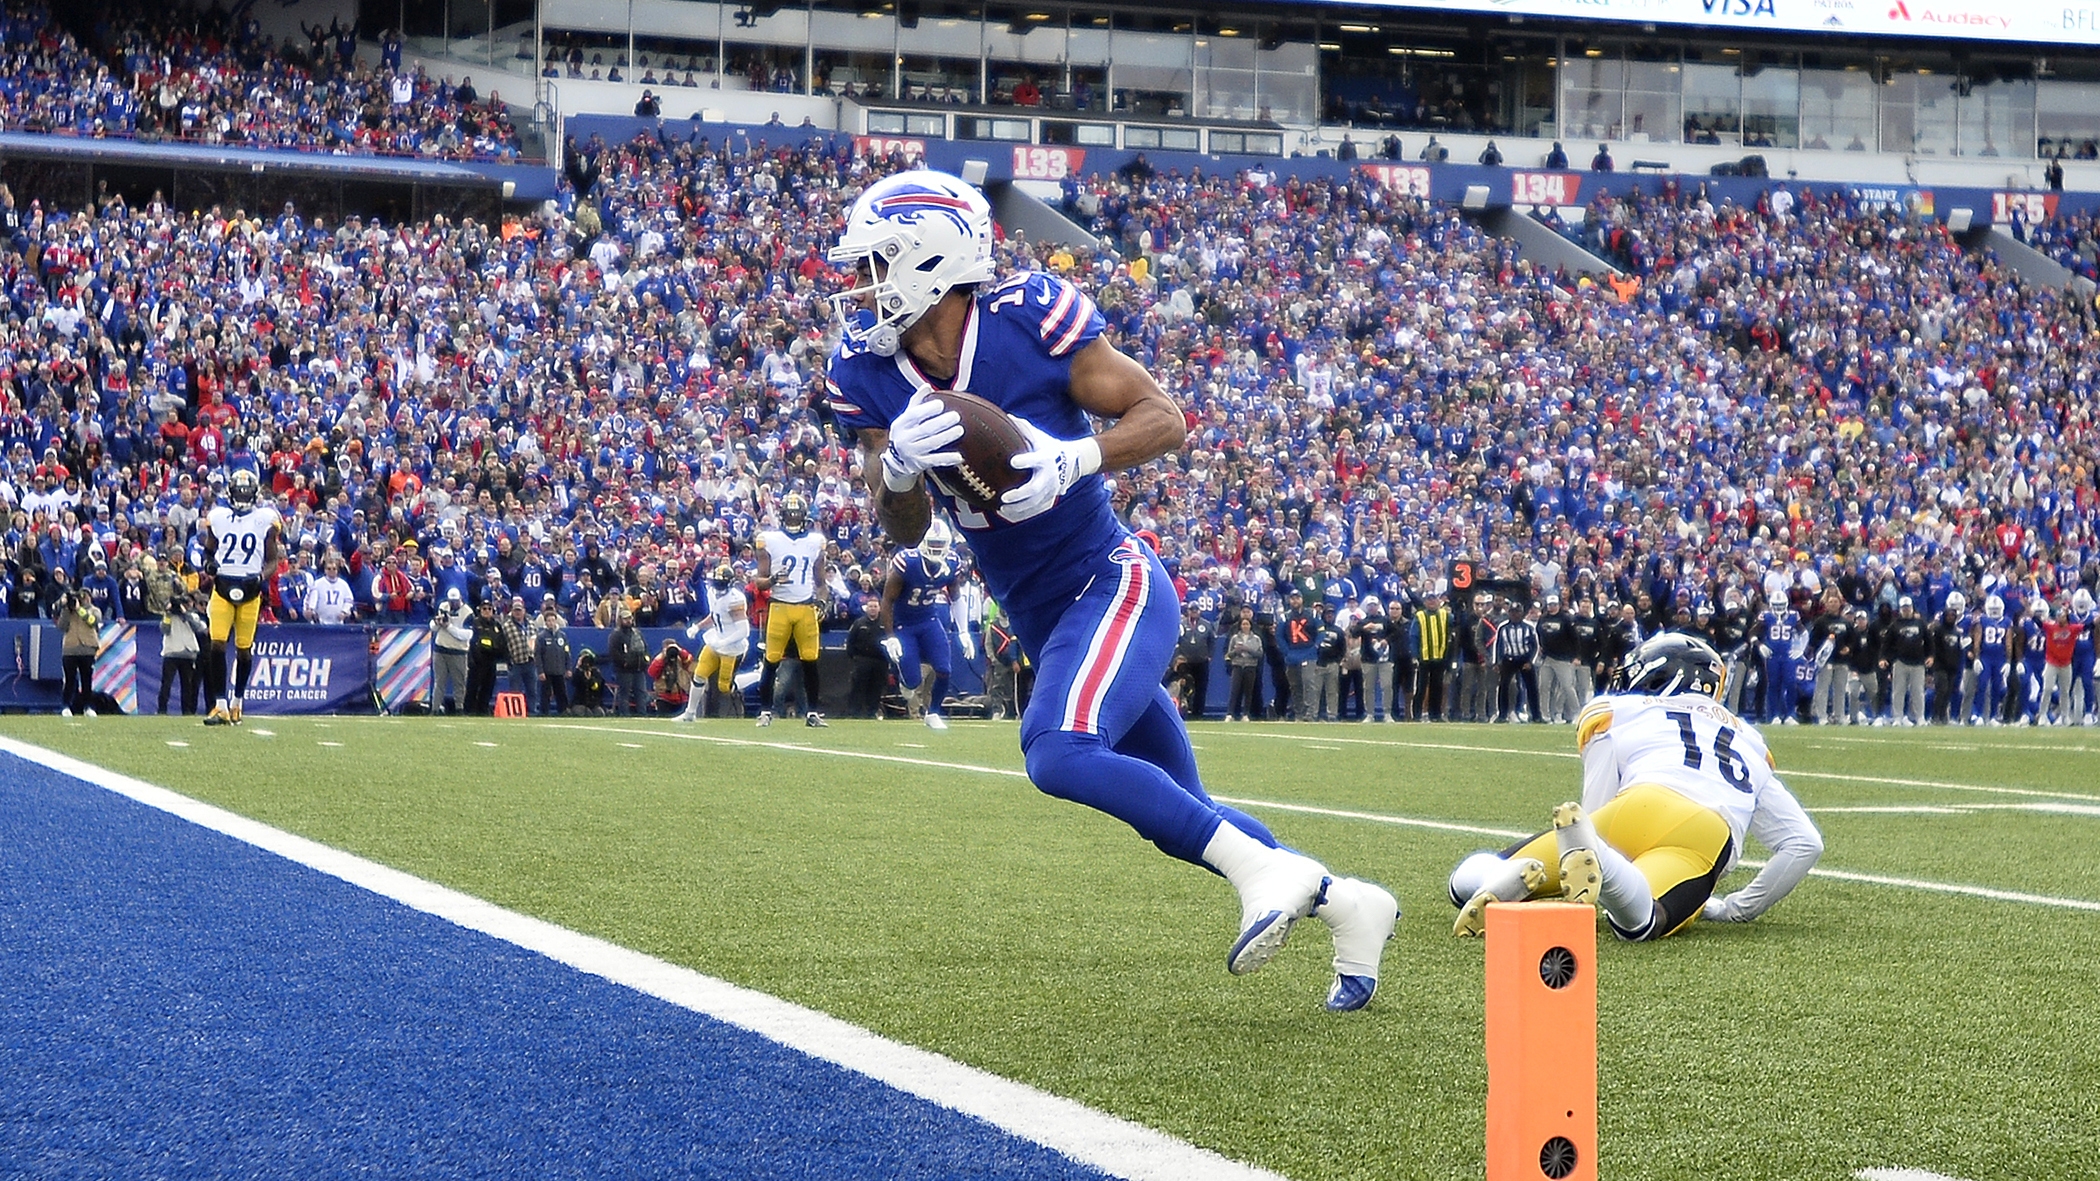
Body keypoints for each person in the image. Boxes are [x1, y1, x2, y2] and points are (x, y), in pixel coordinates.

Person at [825, 169, 1396, 1011]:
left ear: (933, 259)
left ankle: (1269, 873)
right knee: (1184, 815)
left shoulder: (1026, 319)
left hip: (1112, 580)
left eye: (878, 263)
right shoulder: (866, 371)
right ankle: (1350, 902)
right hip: (1044, 615)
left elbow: (1164, 415)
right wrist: (900, 467)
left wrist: (1073, 457)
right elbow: (902, 526)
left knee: (1057, 750)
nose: (861, 286)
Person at [1447, 633, 1823, 941]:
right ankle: (1608, 870)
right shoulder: (1750, 740)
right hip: (1705, 831)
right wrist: (1738, 908)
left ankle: (1494, 879)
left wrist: (1590, 839)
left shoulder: (1623, 709)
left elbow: (1596, 802)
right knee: (1643, 920)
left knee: (1476, 876)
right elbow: (1804, 844)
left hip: (1635, 807)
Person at [199, 468, 282, 726]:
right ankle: (220, 705)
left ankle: (237, 702)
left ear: (255, 494)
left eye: (246, 492)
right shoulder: (219, 518)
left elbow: (272, 559)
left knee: (244, 650)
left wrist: (261, 577)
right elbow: (208, 553)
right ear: (230, 492)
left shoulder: (265, 519)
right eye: (238, 491)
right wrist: (209, 565)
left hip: (250, 588)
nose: (242, 496)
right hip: (223, 587)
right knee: (217, 644)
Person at [754, 491, 828, 726]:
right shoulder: (769, 539)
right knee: (771, 660)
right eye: (790, 515)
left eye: (797, 515)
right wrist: (774, 579)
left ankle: (812, 713)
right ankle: (765, 712)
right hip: (780, 606)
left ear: (804, 516)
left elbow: (821, 582)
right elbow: (760, 581)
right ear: (783, 515)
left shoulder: (815, 541)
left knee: (810, 661)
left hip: (805, 606)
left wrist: (822, 601)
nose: (794, 519)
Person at [882, 516, 960, 730]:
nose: (936, 549)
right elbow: (887, 600)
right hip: (904, 624)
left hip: (929, 620)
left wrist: (962, 632)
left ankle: (933, 713)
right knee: (912, 681)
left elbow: (956, 597)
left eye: (940, 545)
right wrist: (890, 638)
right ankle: (904, 679)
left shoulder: (952, 562)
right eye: (932, 544)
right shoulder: (907, 562)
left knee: (944, 669)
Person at [682, 562, 753, 720]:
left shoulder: (735, 598)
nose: (718, 587)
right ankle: (690, 713)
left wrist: (725, 642)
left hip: (732, 647)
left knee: (724, 687)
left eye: (721, 584)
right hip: (716, 640)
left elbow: (744, 630)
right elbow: (715, 616)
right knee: (699, 675)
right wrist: (698, 627)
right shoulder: (712, 593)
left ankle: (757, 675)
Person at [158, 589, 206, 716]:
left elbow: (198, 628)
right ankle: (162, 710)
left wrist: (185, 613)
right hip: (171, 652)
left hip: (188, 654)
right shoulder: (169, 616)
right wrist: (168, 613)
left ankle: (187, 711)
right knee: (166, 684)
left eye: (188, 602)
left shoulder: (193, 616)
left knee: (187, 686)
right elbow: (164, 630)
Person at [58, 588, 101, 716]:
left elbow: (93, 621)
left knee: (86, 680)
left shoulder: (94, 610)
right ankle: (66, 706)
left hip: (87, 648)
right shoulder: (69, 612)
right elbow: (62, 626)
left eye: (85, 596)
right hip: (70, 649)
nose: (84, 599)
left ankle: (87, 707)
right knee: (69, 680)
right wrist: (66, 608)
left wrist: (79, 609)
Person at [846, 596, 890, 718]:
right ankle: (854, 713)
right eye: (870, 606)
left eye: (875, 606)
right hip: (862, 660)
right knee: (858, 687)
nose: (873, 609)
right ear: (866, 608)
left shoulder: (885, 623)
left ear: (879, 608)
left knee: (876, 688)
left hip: (880, 662)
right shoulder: (859, 623)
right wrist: (855, 658)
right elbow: (850, 643)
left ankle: (871, 713)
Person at [982, 601, 1024, 721]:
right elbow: (988, 644)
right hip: (999, 662)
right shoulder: (993, 626)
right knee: (997, 688)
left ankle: (1013, 711)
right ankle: (998, 710)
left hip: (1014, 661)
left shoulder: (1014, 623)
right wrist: (993, 659)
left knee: (1013, 688)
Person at [432, 588, 472, 714]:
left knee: (459, 683)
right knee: (439, 682)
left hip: (458, 651)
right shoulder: (443, 606)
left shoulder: (468, 612)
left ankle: (459, 708)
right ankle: (435, 708)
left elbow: (466, 635)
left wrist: (448, 626)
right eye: (451, 601)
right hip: (441, 649)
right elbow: (433, 627)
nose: (452, 604)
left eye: (455, 601)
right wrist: (438, 623)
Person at [608, 606, 650, 716]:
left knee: (641, 692)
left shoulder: (637, 633)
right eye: (625, 619)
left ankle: (642, 714)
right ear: (620, 620)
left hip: (639, 668)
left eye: (630, 618)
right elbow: (613, 652)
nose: (628, 621)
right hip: (624, 670)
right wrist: (624, 662)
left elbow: (645, 647)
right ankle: (624, 714)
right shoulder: (616, 634)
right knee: (624, 693)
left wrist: (645, 661)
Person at [465, 598, 504, 715]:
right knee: (473, 686)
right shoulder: (475, 623)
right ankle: (469, 709)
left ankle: (483, 709)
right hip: (477, 661)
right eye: (484, 609)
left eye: (489, 609)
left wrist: (502, 655)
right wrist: (471, 658)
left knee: (488, 687)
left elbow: (502, 642)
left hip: (491, 660)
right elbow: (472, 642)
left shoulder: (496, 625)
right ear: (480, 610)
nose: (487, 611)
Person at [1224, 611, 1265, 722]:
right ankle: (1230, 713)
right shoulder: (1234, 638)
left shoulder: (1256, 639)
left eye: (1247, 624)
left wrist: (1248, 649)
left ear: (1250, 625)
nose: (1245, 626)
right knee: (1234, 690)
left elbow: (1260, 654)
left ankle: (1246, 713)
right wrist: (1236, 651)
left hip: (1250, 666)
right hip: (1237, 665)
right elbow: (1229, 654)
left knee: (1249, 691)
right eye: (1243, 624)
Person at [500, 598, 539, 713]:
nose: (517, 613)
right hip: (516, 661)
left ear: (524, 611)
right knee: (515, 690)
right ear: (512, 611)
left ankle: (532, 710)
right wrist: (508, 659)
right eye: (515, 610)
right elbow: (503, 644)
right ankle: (516, 711)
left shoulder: (532, 624)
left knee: (532, 689)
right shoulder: (506, 626)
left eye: (519, 610)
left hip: (530, 661)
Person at [535, 597, 573, 716]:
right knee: (545, 695)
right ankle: (544, 713)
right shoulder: (541, 637)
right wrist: (540, 671)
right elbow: (538, 655)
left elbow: (567, 653)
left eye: (553, 620)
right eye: (549, 621)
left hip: (559, 671)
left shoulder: (562, 636)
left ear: (556, 621)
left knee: (561, 693)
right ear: (545, 622)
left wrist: (568, 668)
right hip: (547, 672)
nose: (551, 623)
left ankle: (563, 712)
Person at [305, 553, 357, 624]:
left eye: (334, 569)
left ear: (337, 570)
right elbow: (311, 599)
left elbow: (349, 600)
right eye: (329, 569)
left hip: (338, 623)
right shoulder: (317, 583)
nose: (331, 571)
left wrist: (344, 611)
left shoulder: (343, 584)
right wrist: (311, 610)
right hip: (321, 623)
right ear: (325, 570)